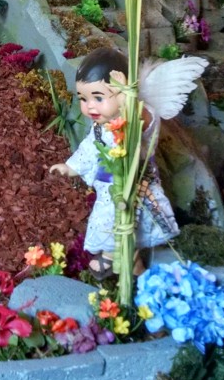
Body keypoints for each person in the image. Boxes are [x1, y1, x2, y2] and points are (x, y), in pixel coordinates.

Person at [49, 47, 180, 281]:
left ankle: (118, 259)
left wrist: (126, 98)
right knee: (111, 222)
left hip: (133, 187)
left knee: (122, 223)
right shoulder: (101, 125)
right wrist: (71, 167)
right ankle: (131, 265)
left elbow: (137, 125)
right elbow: (90, 147)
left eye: (98, 98)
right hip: (109, 188)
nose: (90, 106)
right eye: (83, 99)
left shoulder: (137, 116)